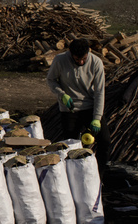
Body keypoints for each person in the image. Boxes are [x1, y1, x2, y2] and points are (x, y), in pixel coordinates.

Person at [46, 38, 111, 170]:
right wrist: (61, 94)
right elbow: (51, 80)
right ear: (71, 54)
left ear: (88, 53)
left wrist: (97, 118)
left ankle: (99, 175)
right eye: (77, 59)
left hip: (89, 107)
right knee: (71, 145)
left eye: (84, 58)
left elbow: (99, 92)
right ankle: (75, 175)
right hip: (69, 109)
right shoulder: (60, 60)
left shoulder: (96, 62)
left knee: (105, 141)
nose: (81, 62)